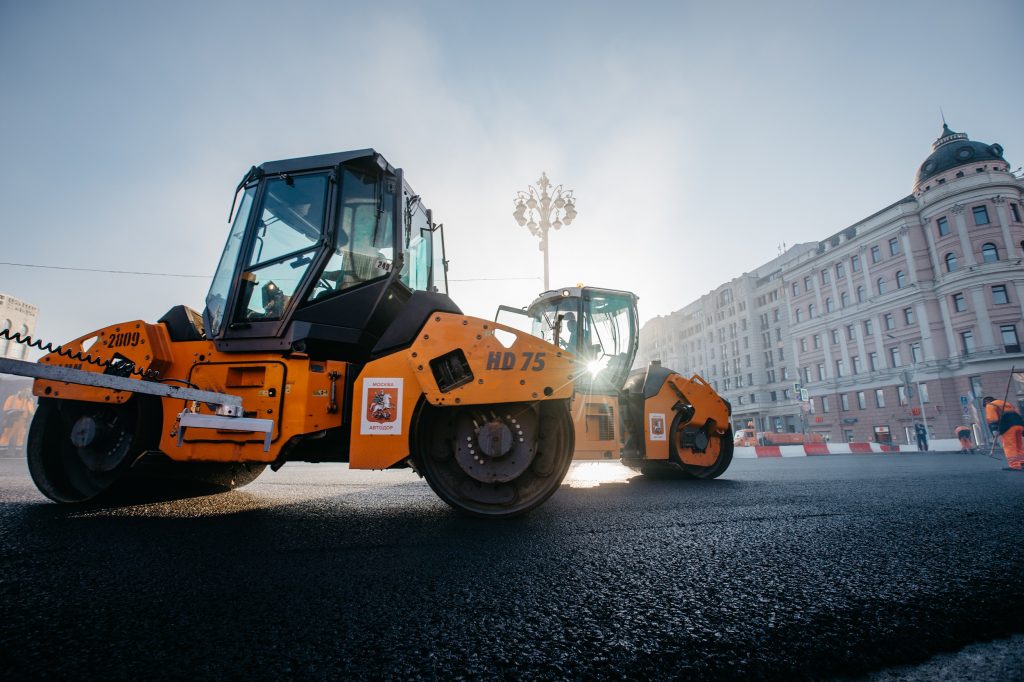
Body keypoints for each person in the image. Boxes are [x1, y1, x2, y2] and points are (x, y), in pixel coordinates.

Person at [983, 396, 1024, 470]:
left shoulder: (990, 405)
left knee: (1010, 446)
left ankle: (1014, 465)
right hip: (1019, 425)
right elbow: (1018, 414)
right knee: (1019, 445)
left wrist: (994, 429)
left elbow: (992, 418)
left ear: (986, 402)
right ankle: (1022, 462)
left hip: (1008, 427)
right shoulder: (1006, 403)